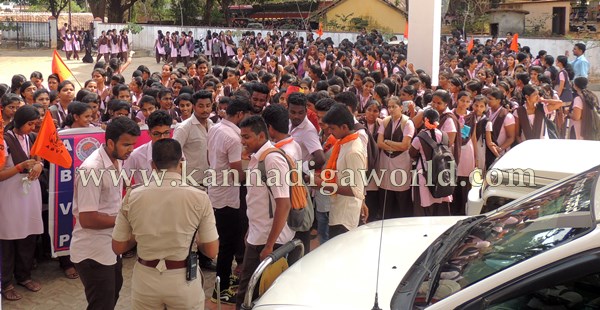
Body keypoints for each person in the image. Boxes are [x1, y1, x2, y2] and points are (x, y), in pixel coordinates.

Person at [112, 138, 219, 310]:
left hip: (145, 279)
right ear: (181, 164)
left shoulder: (132, 195)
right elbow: (212, 250)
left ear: (153, 165)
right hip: (183, 280)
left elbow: (118, 247)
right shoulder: (199, 196)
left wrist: (140, 236)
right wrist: (194, 239)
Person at [70, 116, 141, 310]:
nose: (131, 149)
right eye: (126, 144)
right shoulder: (92, 170)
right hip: (93, 252)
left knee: (112, 295)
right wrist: (126, 220)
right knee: (102, 304)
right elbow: (87, 219)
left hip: (110, 246)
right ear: (110, 142)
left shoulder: (115, 160)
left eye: (133, 144)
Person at [235, 115, 294, 310]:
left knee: (249, 295)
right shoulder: (259, 158)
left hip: (268, 239)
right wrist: (250, 232)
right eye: (241, 136)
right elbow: (258, 202)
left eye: (246, 137)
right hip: (258, 235)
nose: (242, 141)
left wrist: (269, 246)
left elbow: (283, 204)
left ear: (261, 136)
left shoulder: (272, 160)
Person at [207, 96, 251, 304]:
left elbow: (210, 158)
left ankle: (223, 279)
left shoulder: (215, 128)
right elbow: (237, 174)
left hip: (217, 190)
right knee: (228, 244)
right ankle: (221, 288)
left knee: (226, 241)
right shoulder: (233, 138)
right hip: (228, 195)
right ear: (241, 114)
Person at [0, 105, 44, 301]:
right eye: (29, 124)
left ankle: (24, 276)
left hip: (29, 195)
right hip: (9, 196)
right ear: (18, 122)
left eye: (35, 124)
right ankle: (6, 283)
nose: (32, 127)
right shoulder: (5, 140)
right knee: (8, 240)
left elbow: (39, 160)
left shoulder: (32, 137)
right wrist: (20, 167)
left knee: (28, 236)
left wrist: (39, 166)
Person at [313, 103, 367, 238]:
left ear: (344, 127)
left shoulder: (353, 151)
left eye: (332, 128)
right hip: (337, 210)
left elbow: (356, 190)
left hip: (345, 218)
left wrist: (322, 184)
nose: (329, 131)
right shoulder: (343, 143)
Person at [173, 90, 213, 187]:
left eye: (208, 106)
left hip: (211, 180)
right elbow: (174, 153)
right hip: (191, 182)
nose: (205, 109)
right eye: (201, 106)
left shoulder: (211, 124)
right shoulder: (184, 128)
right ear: (194, 106)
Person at [123, 110, 172, 184]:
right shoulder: (136, 155)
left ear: (170, 131)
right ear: (149, 133)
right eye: (157, 134)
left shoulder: (177, 152)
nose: (162, 137)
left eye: (166, 133)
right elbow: (123, 179)